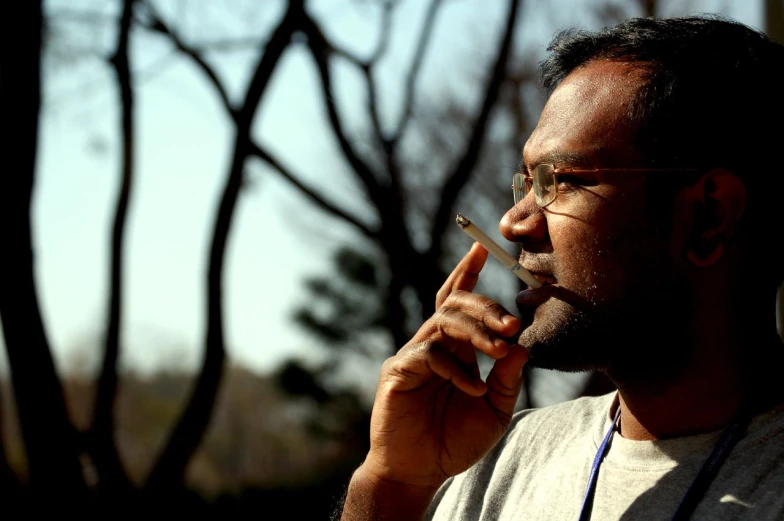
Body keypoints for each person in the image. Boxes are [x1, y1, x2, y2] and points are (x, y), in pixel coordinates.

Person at [336, 14, 784, 521]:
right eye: (525, 182)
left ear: (708, 217)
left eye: (560, 181)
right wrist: (391, 484)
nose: (513, 222)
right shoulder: (498, 460)